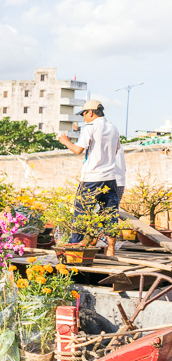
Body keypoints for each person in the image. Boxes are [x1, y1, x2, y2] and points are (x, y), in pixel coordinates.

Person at [58, 100, 122, 256]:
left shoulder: (90, 127)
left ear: (91, 112)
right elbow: (115, 151)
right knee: (110, 213)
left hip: (92, 178)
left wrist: (65, 141)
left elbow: (78, 150)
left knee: (81, 212)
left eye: (84, 114)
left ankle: (75, 248)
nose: (83, 118)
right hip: (110, 177)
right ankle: (111, 249)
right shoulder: (113, 127)